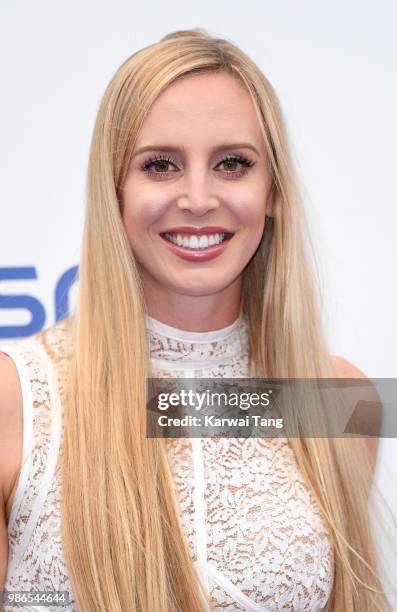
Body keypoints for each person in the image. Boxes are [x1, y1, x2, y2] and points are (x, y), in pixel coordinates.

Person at [0, 28, 391, 611]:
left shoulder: (338, 400)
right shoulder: (15, 398)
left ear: (273, 190)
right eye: (160, 165)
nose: (199, 197)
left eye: (233, 163)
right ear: (115, 190)